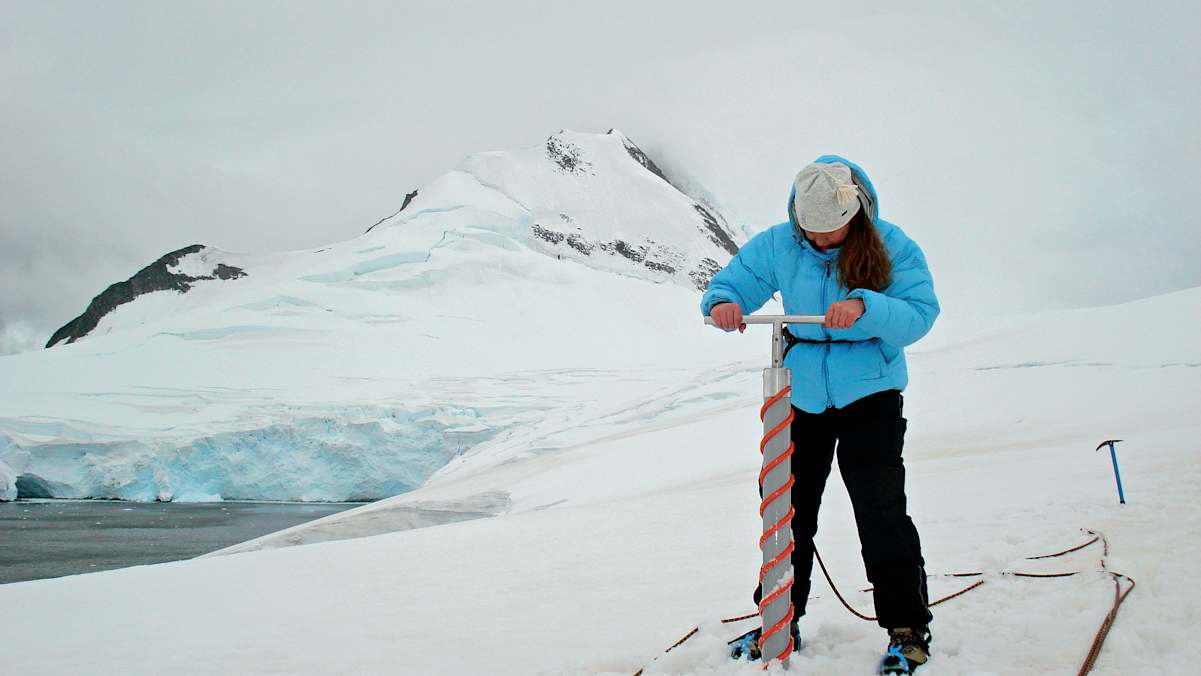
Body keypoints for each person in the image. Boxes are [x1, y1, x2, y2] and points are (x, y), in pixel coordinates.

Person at [700, 156, 939, 675]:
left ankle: (907, 628)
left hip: (870, 395)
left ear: (854, 215)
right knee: (787, 512)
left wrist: (866, 308)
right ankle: (778, 617)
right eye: (813, 232)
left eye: (833, 232)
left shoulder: (893, 245)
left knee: (880, 513)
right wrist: (723, 303)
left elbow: (920, 315)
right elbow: (734, 283)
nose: (823, 242)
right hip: (801, 396)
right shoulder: (778, 244)